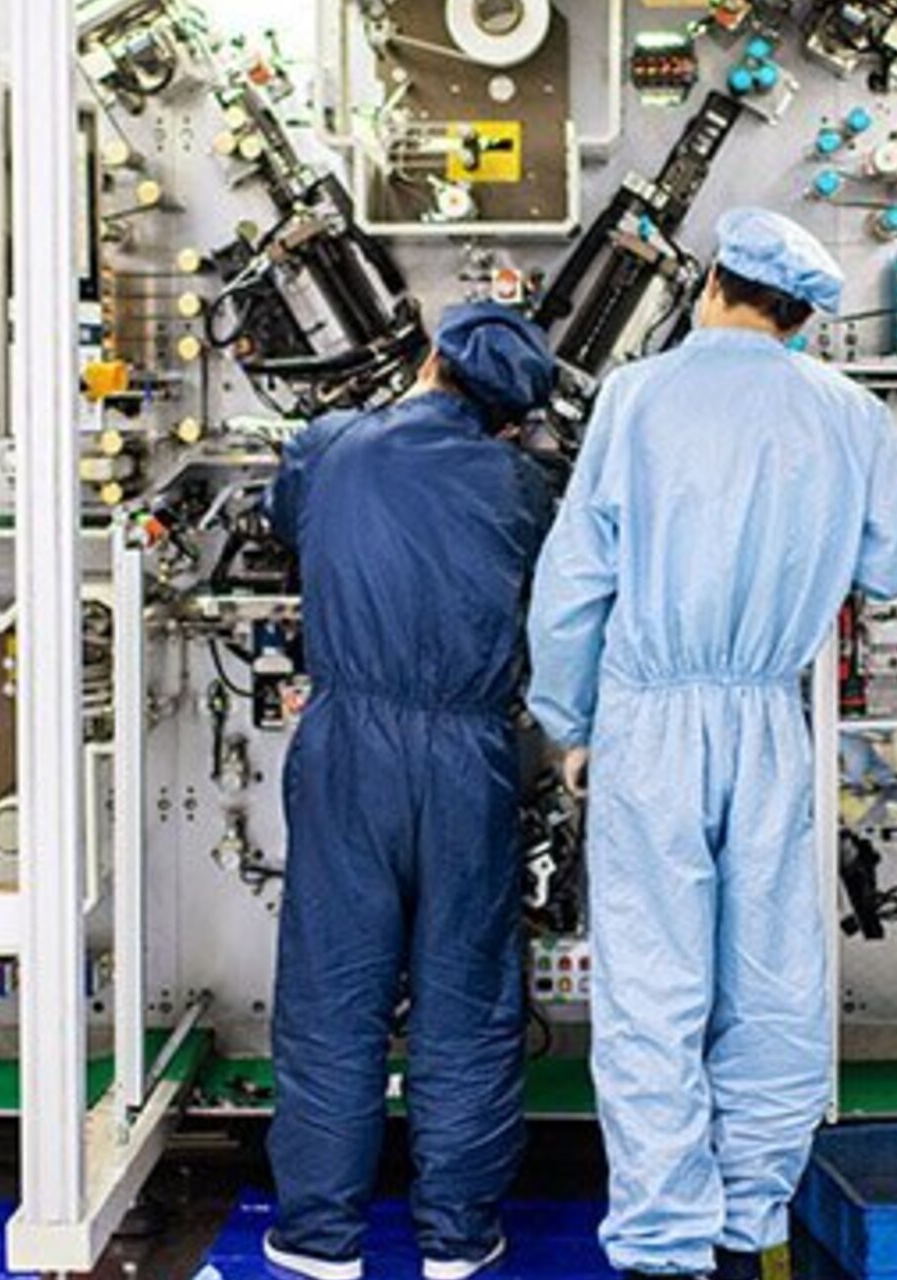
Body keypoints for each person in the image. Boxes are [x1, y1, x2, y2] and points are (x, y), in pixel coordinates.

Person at [525, 208, 897, 1280]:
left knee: (654, 986)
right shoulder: (845, 411)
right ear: (804, 318)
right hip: (769, 717)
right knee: (771, 977)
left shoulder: (637, 395)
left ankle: (665, 1243)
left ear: (710, 282)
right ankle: (751, 1213)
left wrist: (570, 727)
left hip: (650, 720)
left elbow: (575, 583)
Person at [262, 303, 557, 1280]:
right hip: (472, 753)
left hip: (350, 745)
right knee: (466, 1001)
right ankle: (460, 1237)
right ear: (512, 414)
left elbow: (281, 518)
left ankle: (316, 1239)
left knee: (333, 995)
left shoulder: (331, 446)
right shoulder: (523, 484)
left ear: (430, 355)